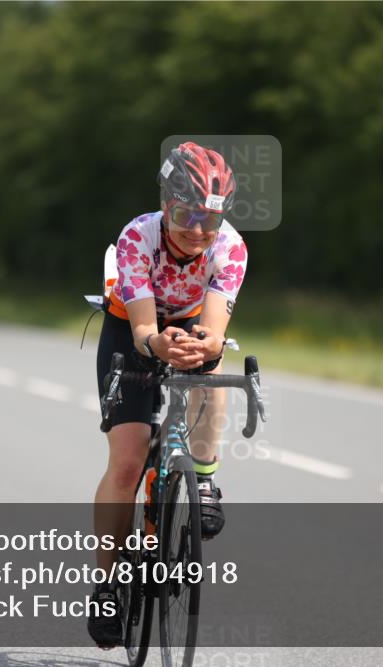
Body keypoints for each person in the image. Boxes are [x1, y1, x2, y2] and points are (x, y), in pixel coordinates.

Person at [88, 142, 248, 647]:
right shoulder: (138, 236)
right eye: (184, 214)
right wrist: (157, 341)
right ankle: (109, 584)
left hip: (189, 326)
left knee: (213, 362)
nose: (198, 230)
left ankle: (202, 479)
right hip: (131, 329)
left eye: (210, 219)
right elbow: (141, 330)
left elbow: (216, 326)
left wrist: (205, 343)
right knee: (128, 461)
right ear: (165, 204)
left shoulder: (231, 248)